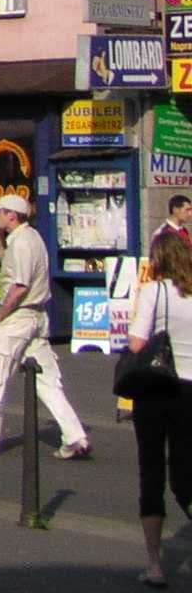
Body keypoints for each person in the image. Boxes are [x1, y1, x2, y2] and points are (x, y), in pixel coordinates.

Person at [0, 193, 91, 460]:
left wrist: (0, 316)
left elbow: (19, 286)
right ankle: (75, 435)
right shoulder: (31, 238)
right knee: (47, 382)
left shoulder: (21, 245)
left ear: (12, 215)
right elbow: (2, 258)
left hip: (18, 318)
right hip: (37, 317)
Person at [131, 232, 192, 587]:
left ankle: (154, 563)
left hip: (157, 390)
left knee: (150, 472)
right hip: (190, 391)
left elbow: (138, 342)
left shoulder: (156, 291)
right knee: (185, 471)